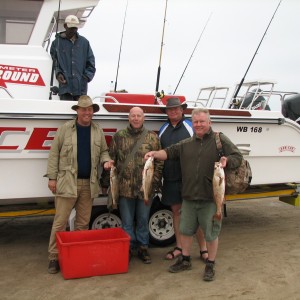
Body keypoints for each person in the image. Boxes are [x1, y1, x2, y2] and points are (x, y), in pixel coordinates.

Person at [145, 108, 243, 281]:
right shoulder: (186, 144)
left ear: (209, 122)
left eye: (202, 121)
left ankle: (210, 264)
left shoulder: (219, 139)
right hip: (188, 197)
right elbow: (168, 152)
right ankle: (185, 259)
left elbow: (237, 156)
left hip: (210, 198)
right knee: (185, 231)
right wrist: (154, 154)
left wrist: (228, 161)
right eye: (195, 121)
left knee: (211, 234)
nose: (198, 125)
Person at [45, 95, 113, 274]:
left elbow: (104, 152)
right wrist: (52, 178)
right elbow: (53, 154)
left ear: (93, 112)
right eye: (83, 109)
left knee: (82, 224)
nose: (87, 112)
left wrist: (106, 162)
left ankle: (75, 254)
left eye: (90, 109)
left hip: (88, 184)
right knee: (60, 223)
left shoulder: (97, 130)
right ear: (77, 111)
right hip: (67, 183)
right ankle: (53, 257)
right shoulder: (65, 129)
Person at [107, 106, 163, 264]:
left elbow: (159, 163)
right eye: (133, 116)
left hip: (146, 188)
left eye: (139, 115)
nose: (136, 118)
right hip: (124, 188)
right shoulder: (119, 136)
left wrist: (155, 181)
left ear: (143, 118)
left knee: (143, 219)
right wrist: (107, 182)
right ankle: (129, 247)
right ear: (129, 118)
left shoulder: (152, 137)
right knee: (126, 221)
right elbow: (112, 160)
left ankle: (143, 247)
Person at [159, 98, 208, 262]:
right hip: (171, 178)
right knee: (176, 212)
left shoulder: (190, 126)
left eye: (177, 109)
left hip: (190, 179)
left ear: (182, 110)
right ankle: (179, 247)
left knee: (196, 214)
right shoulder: (163, 129)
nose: (173, 111)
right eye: (170, 109)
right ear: (166, 112)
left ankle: (203, 248)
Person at [50, 15, 96, 101]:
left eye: (75, 28)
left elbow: (91, 64)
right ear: (65, 26)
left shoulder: (84, 42)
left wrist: (85, 78)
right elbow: (54, 63)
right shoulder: (56, 43)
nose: (73, 30)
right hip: (65, 89)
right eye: (71, 27)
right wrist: (58, 73)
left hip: (81, 90)